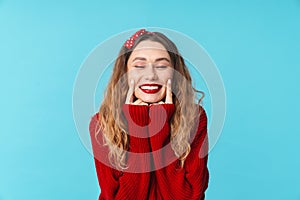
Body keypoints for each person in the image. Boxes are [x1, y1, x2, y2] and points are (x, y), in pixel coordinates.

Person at [89, 29, 209, 200]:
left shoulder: (195, 118)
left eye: (161, 66)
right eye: (139, 66)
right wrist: (138, 126)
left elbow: (190, 196)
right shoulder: (102, 123)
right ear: (124, 74)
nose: (151, 75)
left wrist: (160, 123)